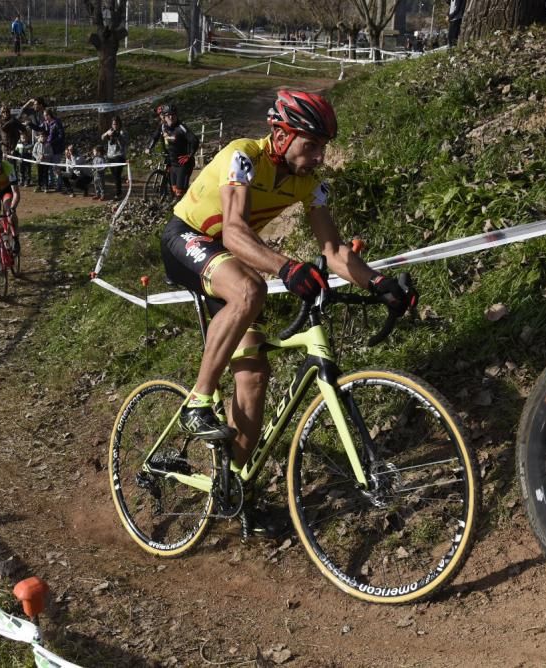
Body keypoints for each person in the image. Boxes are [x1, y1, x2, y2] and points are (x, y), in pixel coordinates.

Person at [159, 90, 418, 534]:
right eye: (310, 144)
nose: (319, 156)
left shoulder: (307, 183)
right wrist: (286, 267)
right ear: (280, 134)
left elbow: (334, 250)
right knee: (250, 288)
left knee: (254, 376)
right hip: (188, 239)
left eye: (323, 146)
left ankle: (232, 490)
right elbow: (236, 232)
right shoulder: (243, 156)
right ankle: (198, 400)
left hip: (224, 258)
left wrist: (379, 284)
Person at [145, 105, 199, 198]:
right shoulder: (162, 127)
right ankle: (175, 207)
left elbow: (194, 140)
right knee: (174, 190)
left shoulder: (181, 127)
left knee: (180, 193)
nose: (171, 117)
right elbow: (155, 137)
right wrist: (149, 147)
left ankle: (185, 208)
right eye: (168, 115)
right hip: (172, 163)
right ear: (164, 117)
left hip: (183, 164)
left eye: (173, 115)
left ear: (177, 116)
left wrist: (189, 155)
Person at [101, 116, 129, 200]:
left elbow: (125, 143)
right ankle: (118, 190)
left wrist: (118, 136)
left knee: (117, 175)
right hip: (110, 156)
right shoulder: (111, 130)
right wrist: (107, 134)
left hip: (119, 156)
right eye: (113, 124)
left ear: (119, 124)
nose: (115, 126)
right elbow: (102, 137)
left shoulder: (122, 132)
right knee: (114, 175)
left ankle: (118, 193)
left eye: (116, 124)